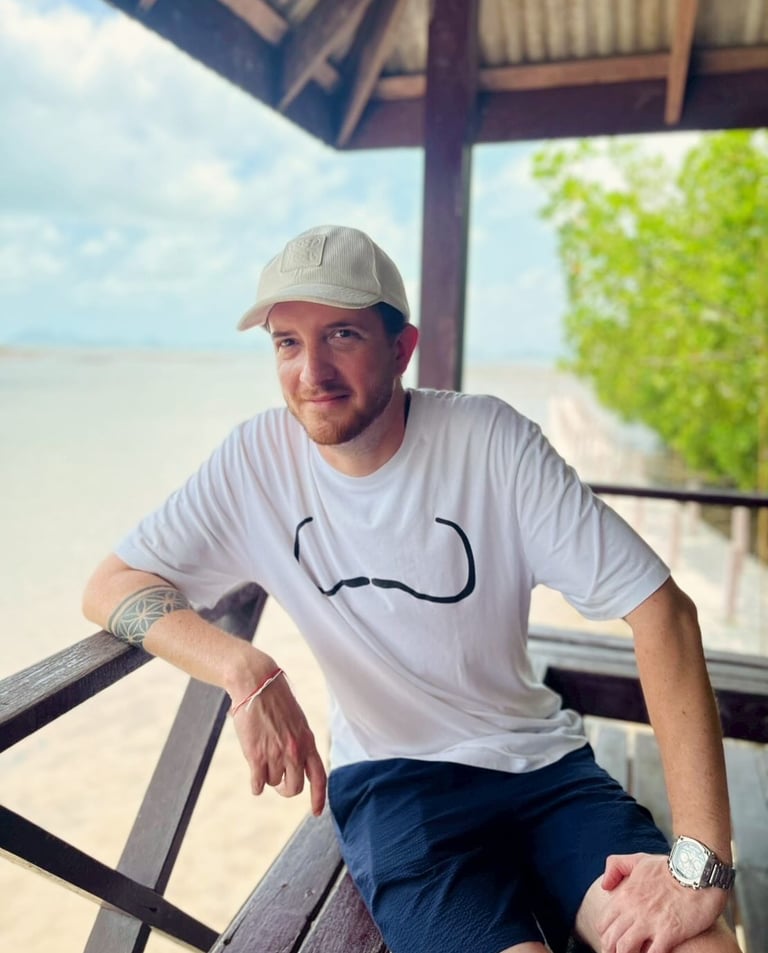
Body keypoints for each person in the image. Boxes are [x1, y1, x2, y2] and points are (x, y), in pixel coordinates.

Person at [83, 224, 739, 953]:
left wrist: (701, 862)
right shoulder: (254, 462)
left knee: (701, 945)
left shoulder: (489, 442)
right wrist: (243, 668)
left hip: (543, 765)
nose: (311, 372)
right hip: (397, 785)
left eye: (342, 335)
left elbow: (662, 612)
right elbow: (111, 585)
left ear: (402, 347)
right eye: (287, 342)